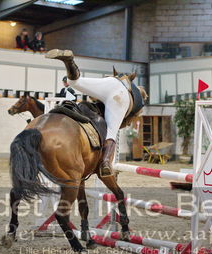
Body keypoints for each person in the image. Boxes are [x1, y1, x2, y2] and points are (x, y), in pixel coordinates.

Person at [46, 49, 146, 178]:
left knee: (74, 82)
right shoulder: (137, 100)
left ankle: (69, 62)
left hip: (109, 83)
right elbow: (127, 120)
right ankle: (105, 163)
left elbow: (95, 100)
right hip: (120, 96)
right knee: (111, 132)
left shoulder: (117, 79)